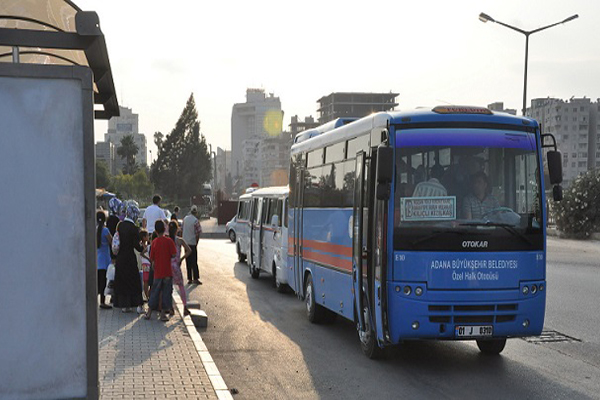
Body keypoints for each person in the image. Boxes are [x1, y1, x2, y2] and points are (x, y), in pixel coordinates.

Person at [113, 201, 145, 313]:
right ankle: (137, 305)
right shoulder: (133, 228)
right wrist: (143, 247)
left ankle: (123, 305)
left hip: (120, 258)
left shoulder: (120, 225)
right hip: (130, 258)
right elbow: (137, 246)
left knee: (122, 281)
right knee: (134, 281)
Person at [146, 220, 176, 321]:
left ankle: (149, 312)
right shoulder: (169, 241)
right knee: (166, 293)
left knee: (154, 291)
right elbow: (174, 254)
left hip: (157, 271)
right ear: (164, 229)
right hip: (167, 271)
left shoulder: (154, 242)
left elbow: (151, 258)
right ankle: (163, 314)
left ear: (155, 230)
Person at [169, 221, 192, 316]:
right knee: (181, 286)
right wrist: (181, 259)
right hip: (176, 266)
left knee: (169, 288)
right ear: (177, 229)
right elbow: (189, 250)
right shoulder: (180, 240)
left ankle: (171, 308)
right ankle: (185, 307)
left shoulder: (168, 240)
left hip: (168, 266)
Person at [182, 205, 202, 284]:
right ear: (196, 212)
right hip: (192, 243)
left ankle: (189, 278)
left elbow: (182, 229)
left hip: (185, 243)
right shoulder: (196, 221)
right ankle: (195, 278)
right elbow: (198, 233)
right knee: (194, 261)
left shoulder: (185, 219)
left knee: (188, 261)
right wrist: (196, 242)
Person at [96, 211, 113, 309]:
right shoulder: (105, 230)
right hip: (105, 260)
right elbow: (112, 242)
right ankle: (103, 302)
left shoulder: (95, 230)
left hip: (97, 260)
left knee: (99, 282)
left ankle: (97, 301)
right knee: (104, 282)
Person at [140, 230, 151, 300]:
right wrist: (148, 258)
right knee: (146, 280)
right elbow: (142, 254)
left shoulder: (146, 245)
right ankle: (146, 295)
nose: (148, 237)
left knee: (147, 280)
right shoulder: (143, 245)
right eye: (147, 236)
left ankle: (147, 294)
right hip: (145, 263)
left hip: (146, 263)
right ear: (144, 237)